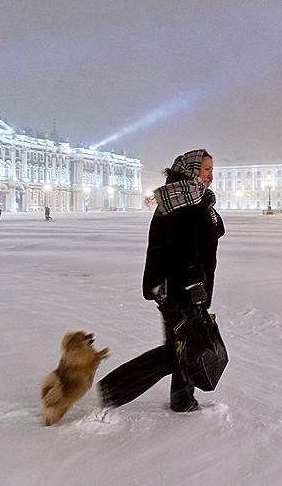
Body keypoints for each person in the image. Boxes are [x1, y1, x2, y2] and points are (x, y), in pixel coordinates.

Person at [98, 149, 225, 412]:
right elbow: (182, 248)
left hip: (182, 285)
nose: (210, 175)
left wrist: (208, 208)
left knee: (183, 343)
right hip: (180, 287)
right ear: (192, 171)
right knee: (183, 346)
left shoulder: (188, 198)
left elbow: (211, 232)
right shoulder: (183, 202)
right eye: (206, 169)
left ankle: (183, 398)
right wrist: (193, 285)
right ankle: (115, 387)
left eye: (212, 170)